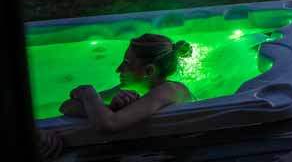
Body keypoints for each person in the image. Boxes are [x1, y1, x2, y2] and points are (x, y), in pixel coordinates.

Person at [58, 34, 194, 134]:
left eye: (127, 63)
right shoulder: (137, 86)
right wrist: (109, 108)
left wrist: (88, 93)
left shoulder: (168, 91)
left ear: (149, 70)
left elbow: (108, 125)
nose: (118, 69)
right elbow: (66, 106)